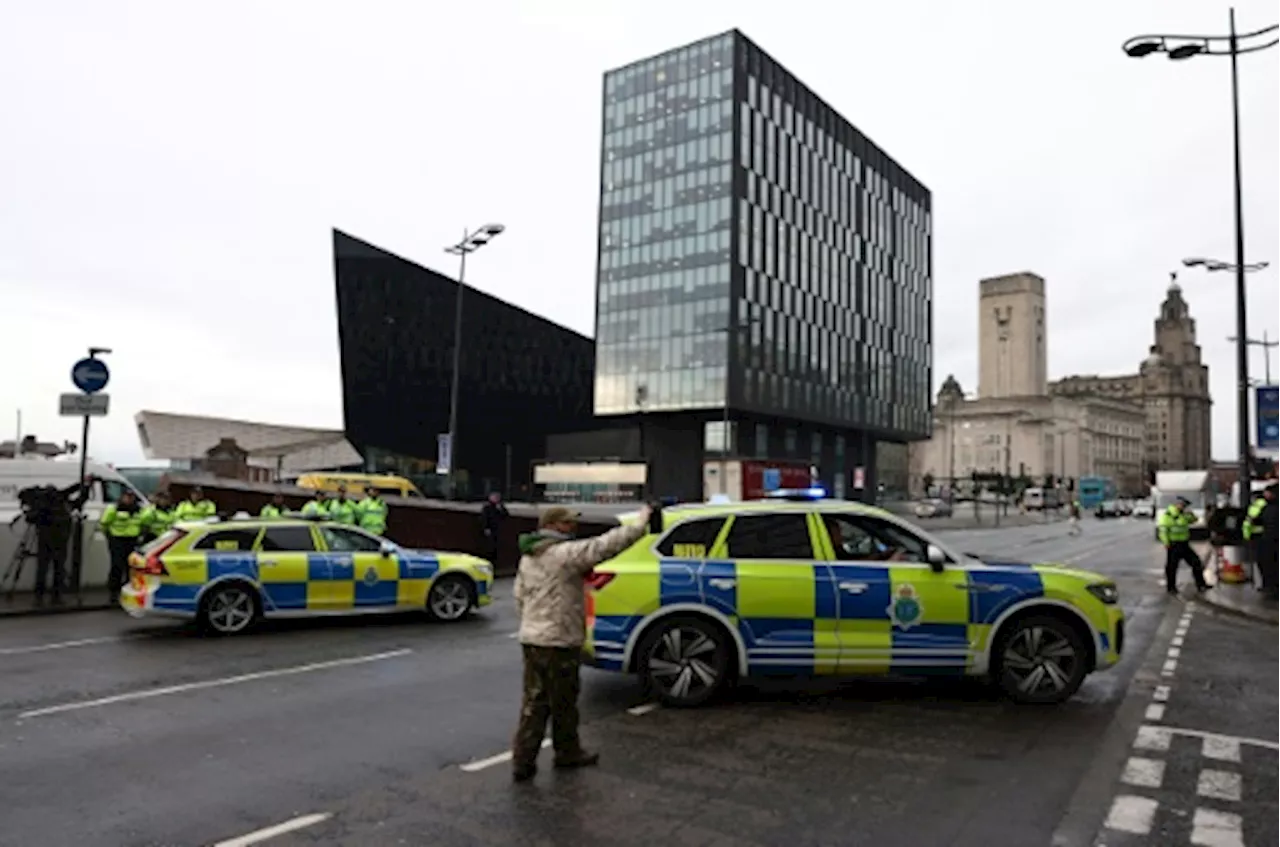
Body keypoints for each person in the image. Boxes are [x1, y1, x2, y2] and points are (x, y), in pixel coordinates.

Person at [510, 504, 651, 783]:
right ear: (554, 525)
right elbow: (604, 546)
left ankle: (523, 761)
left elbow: (519, 596)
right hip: (558, 640)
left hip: (533, 638)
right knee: (563, 701)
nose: (573, 527)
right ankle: (567, 753)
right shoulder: (562, 554)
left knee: (534, 702)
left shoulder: (530, 556)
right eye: (568, 523)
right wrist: (640, 523)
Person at [23, 477, 93, 606]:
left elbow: (30, 518)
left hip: (45, 540)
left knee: (43, 569)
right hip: (60, 541)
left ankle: (39, 597)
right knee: (58, 569)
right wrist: (86, 486)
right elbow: (81, 500)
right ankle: (56, 597)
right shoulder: (64, 505)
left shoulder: (42, 506)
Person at [99, 489, 144, 603]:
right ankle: (114, 593)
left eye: (131, 497)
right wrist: (110, 537)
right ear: (122, 497)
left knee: (131, 567)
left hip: (132, 540)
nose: (129, 499)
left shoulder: (139, 510)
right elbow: (104, 524)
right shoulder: (113, 509)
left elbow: (143, 524)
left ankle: (128, 593)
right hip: (117, 539)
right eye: (126, 497)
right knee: (117, 566)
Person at [1158, 496, 1209, 595]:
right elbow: (1163, 530)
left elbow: (1194, 520)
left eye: (1185, 506)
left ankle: (1201, 584)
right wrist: (1166, 543)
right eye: (1182, 505)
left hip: (1184, 543)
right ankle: (1171, 587)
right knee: (1172, 567)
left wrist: (1190, 514)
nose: (1183, 507)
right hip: (1173, 544)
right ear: (1177, 504)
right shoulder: (1168, 515)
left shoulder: (1183, 515)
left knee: (1196, 562)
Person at [1252, 484, 1280, 599]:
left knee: (1270, 566)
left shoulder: (1270, 507)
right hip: (1267, 540)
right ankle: (1270, 588)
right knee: (1267, 565)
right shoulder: (1267, 507)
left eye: (1267, 493)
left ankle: (1272, 589)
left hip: (1271, 541)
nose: (1265, 495)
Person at [481, 492, 509, 561]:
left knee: (497, 545)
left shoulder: (500, 506)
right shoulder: (487, 507)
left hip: (498, 529)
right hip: (490, 528)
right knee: (490, 545)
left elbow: (505, 515)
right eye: (495, 497)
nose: (496, 499)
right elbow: (484, 518)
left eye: (497, 498)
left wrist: (500, 509)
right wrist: (486, 527)